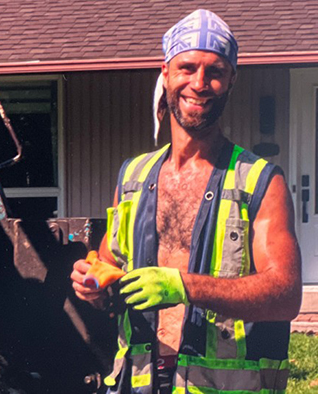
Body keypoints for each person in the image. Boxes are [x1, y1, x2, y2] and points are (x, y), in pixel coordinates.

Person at [70, 9, 302, 394]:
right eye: (187, 67)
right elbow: (108, 269)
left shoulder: (260, 181)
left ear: (231, 81)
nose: (200, 83)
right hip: (139, 382)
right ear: (166, 72)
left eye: (215, 71)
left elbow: (285, 294)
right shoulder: (133, 177)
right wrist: (92, 284)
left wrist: (185, 286)